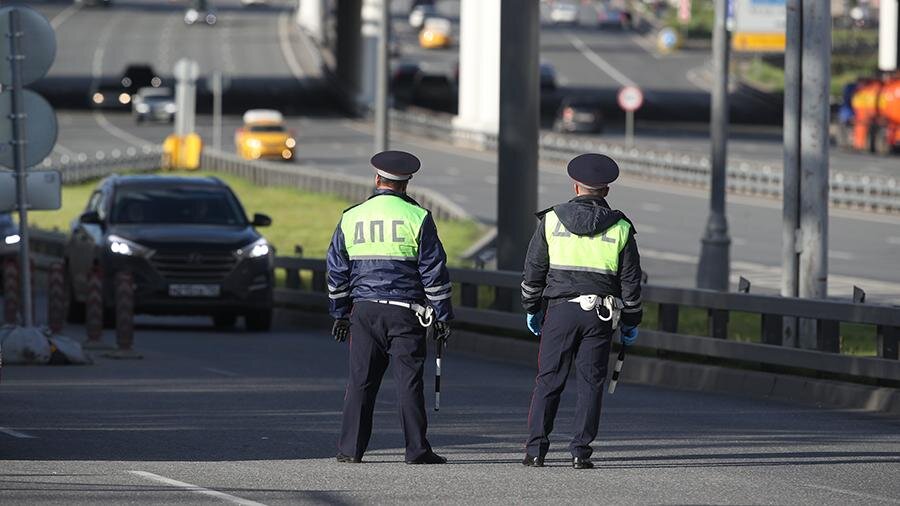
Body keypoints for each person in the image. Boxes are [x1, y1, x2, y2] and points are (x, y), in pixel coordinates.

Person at [326, 150, 453, 465]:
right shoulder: (418, 217)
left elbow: (336, 271)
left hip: (364, 311)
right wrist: (442, 314)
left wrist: (340, 312)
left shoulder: (351, 216)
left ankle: (350, 450)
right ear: (406, 183)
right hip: (405, 312)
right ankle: (416, 450)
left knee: (361, 381)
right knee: (409, 382)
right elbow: (433, 271)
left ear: (376, 179)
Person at [520, 153, 643, 469]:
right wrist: (631, 320)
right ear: (606, 190)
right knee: (591, 383)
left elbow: (534, 270)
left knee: (549, 380)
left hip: (560, 312)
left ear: (576, 187)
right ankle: (580, 451)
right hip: (599, 315)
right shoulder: (621, 227)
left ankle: (535, 451)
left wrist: (532, 308)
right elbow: (630, 282)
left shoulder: (551, 220)